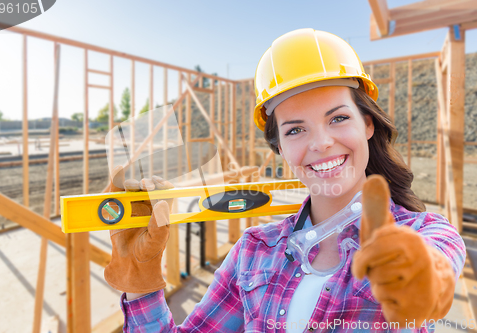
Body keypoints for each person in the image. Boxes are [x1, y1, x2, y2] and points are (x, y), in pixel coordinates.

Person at [104, 28, 465, 332]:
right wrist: (142, 287)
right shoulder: (253, 252)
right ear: (280, 148)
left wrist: (421, 276)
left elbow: (436, 266)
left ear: (367, 124)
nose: (321, 143)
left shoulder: (426, 233)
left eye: (338, 118)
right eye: (295, 130)